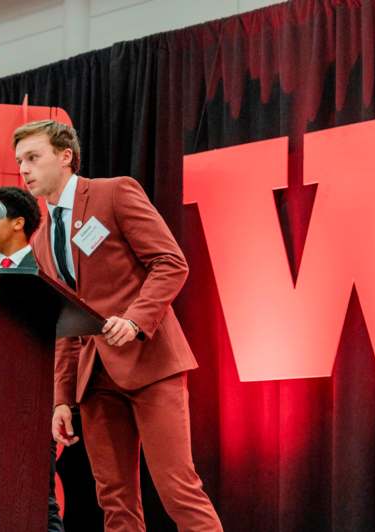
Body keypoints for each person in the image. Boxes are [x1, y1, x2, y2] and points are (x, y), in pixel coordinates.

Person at [13, 120, 223, 531]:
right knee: (115, 502)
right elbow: (64, 324)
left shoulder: (114, 193)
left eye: (33, 158)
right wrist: (61, 398)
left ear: (65, 156)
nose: (24, 169)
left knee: (178, 489)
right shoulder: (40, 241)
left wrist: (134, 320)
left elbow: (170, 264)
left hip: (150, 362)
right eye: (20, 161)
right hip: (94, 381)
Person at [0, 185, 64, 532]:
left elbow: (65, 339)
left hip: (34, 403)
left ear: (17, 223)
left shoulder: (47, 270)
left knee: (38, 502)